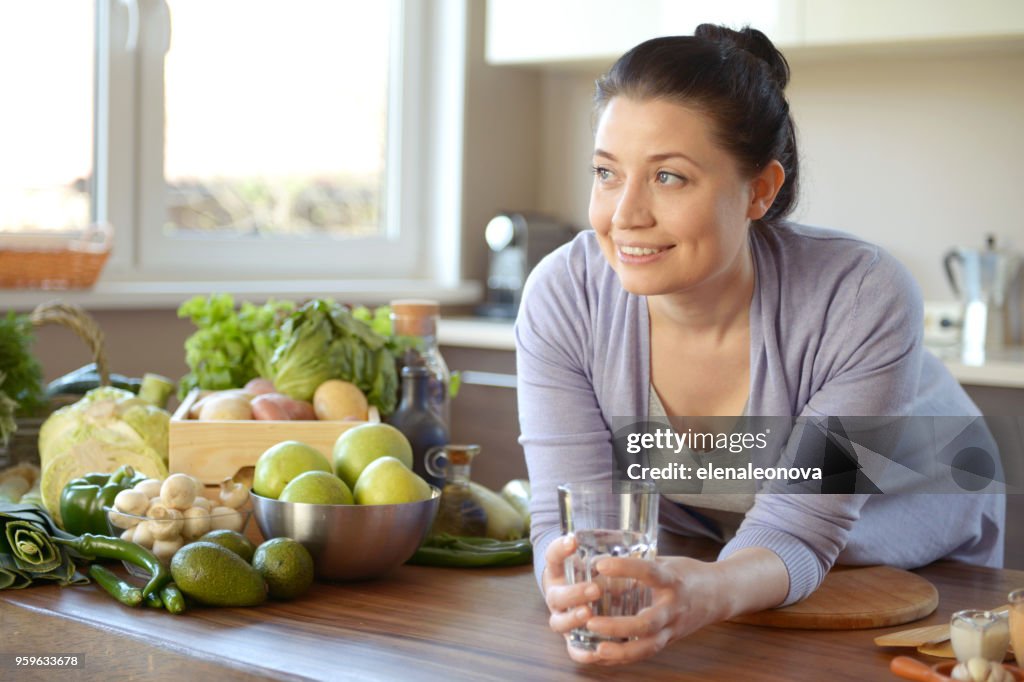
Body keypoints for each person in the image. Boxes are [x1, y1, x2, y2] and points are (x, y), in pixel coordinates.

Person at [513, 24, 1005, 666]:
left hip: (908, 548)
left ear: (760, 191)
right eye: (607, 172)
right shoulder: (564, 295)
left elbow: (802, 527)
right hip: (724, 545)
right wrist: (573, 589)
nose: (624, 213)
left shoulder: (860, 294)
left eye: (668, 177)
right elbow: (574, 523)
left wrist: (712, 586)